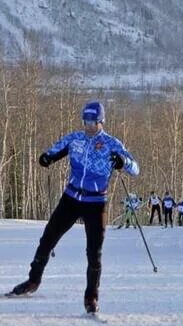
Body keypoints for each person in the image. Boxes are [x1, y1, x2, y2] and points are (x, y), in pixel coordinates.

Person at [11, 100, 139, 313]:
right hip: (71, 199)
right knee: (48, 238)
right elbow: (55, 150)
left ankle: (91, 297)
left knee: (94, 252)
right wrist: (47, 158)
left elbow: (135, 169)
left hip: (95, 202)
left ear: (101, 122)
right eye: (85, 121)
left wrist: (122, 162)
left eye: (93, 122)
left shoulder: (111, 143)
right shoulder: (75, 138)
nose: (88, 126)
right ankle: (33, 281)